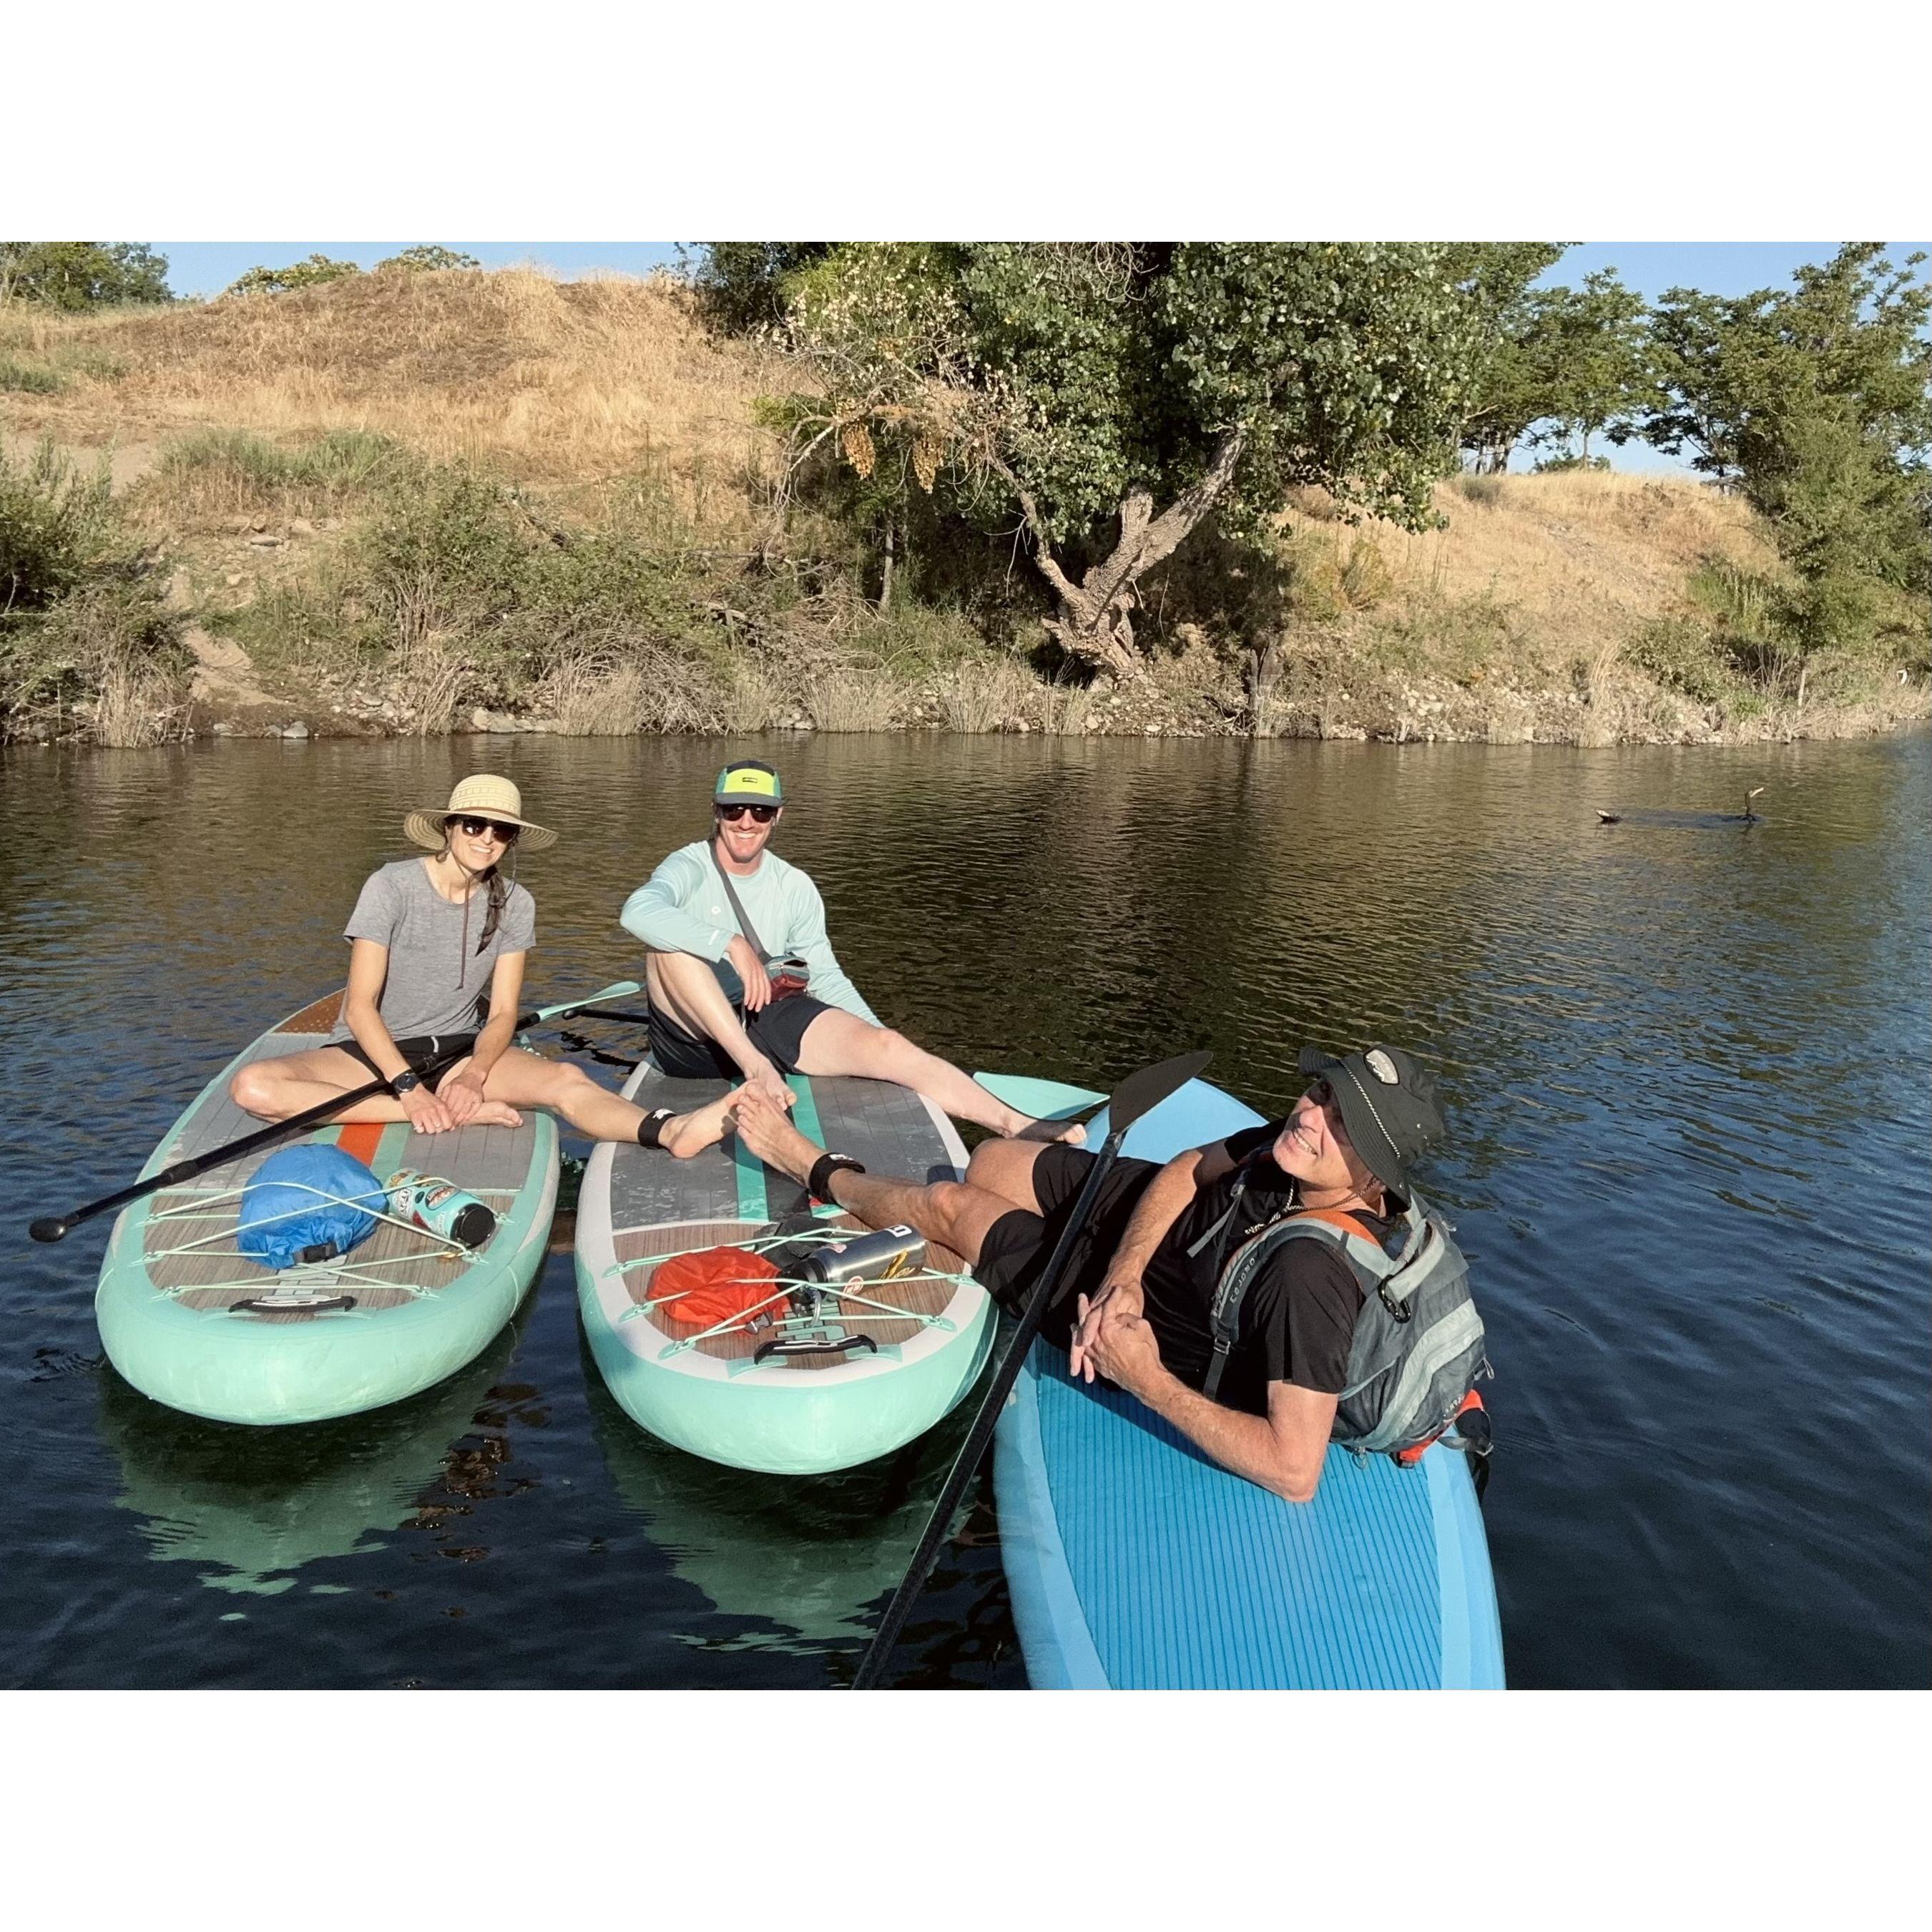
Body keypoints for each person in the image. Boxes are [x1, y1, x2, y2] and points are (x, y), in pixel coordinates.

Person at [730, 1042, 1466, 1504]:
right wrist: (1128, 1270)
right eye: (1324, 1094)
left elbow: (1294, 1471)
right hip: (1148, 1255)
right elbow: (1185, 1168)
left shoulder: (1309, 1277)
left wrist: (1138, 1367)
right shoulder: (1287, 1146)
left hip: (1149, 1325)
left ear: (1375, 1173)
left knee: (953, 1201)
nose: (1312, 1116)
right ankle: (955, 1255)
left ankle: (817, 1168)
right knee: (992, 1161)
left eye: (1344, 1126)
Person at [232, 775, 740, 1157]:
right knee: (255, 1087)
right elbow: (360, 1008)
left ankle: (671, 1130)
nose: (486, 838)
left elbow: (501, 1014)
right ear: (449, 828)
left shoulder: (517, 903)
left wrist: (474, 1077)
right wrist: (411, 1094)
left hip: (456, 1052)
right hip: (373, 1052)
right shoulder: (390, 886)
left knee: (564, 1078)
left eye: (501, 830)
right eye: (474, 824)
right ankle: (439, 1117)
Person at [619, 760, 1081, 1141]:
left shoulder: (794, 886)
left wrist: (879, 1045)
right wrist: (729, 943)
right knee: (666, 947)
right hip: (693, 1038)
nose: (746, 822)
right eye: (734, 808)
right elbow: (636, 910)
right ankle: (756, 1067)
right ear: (716, 812)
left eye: (760, 812)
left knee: (886, 1044)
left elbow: (823, 975)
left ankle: (1012, 1123)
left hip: (767, 1013)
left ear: (777, 816)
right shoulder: (688, 865)